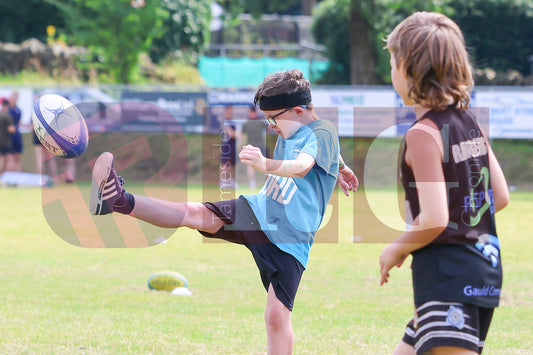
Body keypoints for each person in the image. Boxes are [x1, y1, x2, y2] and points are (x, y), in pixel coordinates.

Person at [90, 69, 358, 354]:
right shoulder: (303, 128)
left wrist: (266, 163)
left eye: (273, 118)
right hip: (260, 210)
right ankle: (118, 200)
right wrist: (339, 168)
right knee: (193, 213)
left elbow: (304, 165)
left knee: (277, 316)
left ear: (297, 110)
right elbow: (323, 151)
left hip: (291, 238)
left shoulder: (323, 131)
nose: (271, 126)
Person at [379, 12, 510, 355]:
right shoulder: (470, 122)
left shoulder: (423, 134)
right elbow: (500, 195)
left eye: (393, 61)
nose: (390, 71)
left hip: (446, 278)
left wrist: (398, 247)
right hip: (483, 270)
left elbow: (435, 218)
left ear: (408, 68)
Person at [240, 104, 267, 188]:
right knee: (253, 165)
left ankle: (256, 183)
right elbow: (268, 129)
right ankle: (254, 183)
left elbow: (242, 136)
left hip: (255, 146)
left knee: (255, 165)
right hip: (256, 146)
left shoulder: (247, 124)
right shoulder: (260, 122)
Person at [8, 92, 23, 172]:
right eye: (13, 96)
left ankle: (18, 178)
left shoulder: (18, 110)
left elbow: (18, 123)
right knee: (10, 158)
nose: (14, 98)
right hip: (8, 137)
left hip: (17, 136)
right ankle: (10, 179)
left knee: (17, 157)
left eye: (16, 97)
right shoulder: (6, 110)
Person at [0, 99, 15, 175]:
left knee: (2, 159)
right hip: (5, 141)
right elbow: (11, 129)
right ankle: (9, 179)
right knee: (9, 159)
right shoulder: (7, 116)